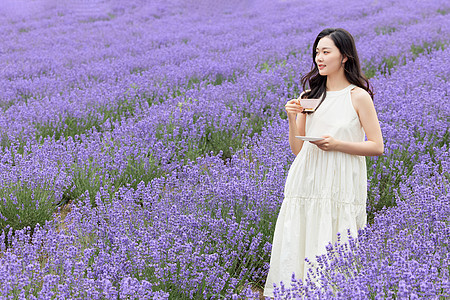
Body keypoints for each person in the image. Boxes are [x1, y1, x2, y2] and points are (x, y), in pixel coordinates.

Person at [263, 28, 384, 297]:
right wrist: (291, 118)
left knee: (336, 237)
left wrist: (337, 145)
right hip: (307, 177)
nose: (319, 57)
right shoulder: (309, 96)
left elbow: (377, 146)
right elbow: (298, 149)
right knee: (302, 235)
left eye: (326, 52)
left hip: (340, 180)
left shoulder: (358, 96)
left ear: (344, 57)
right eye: (317, 52)